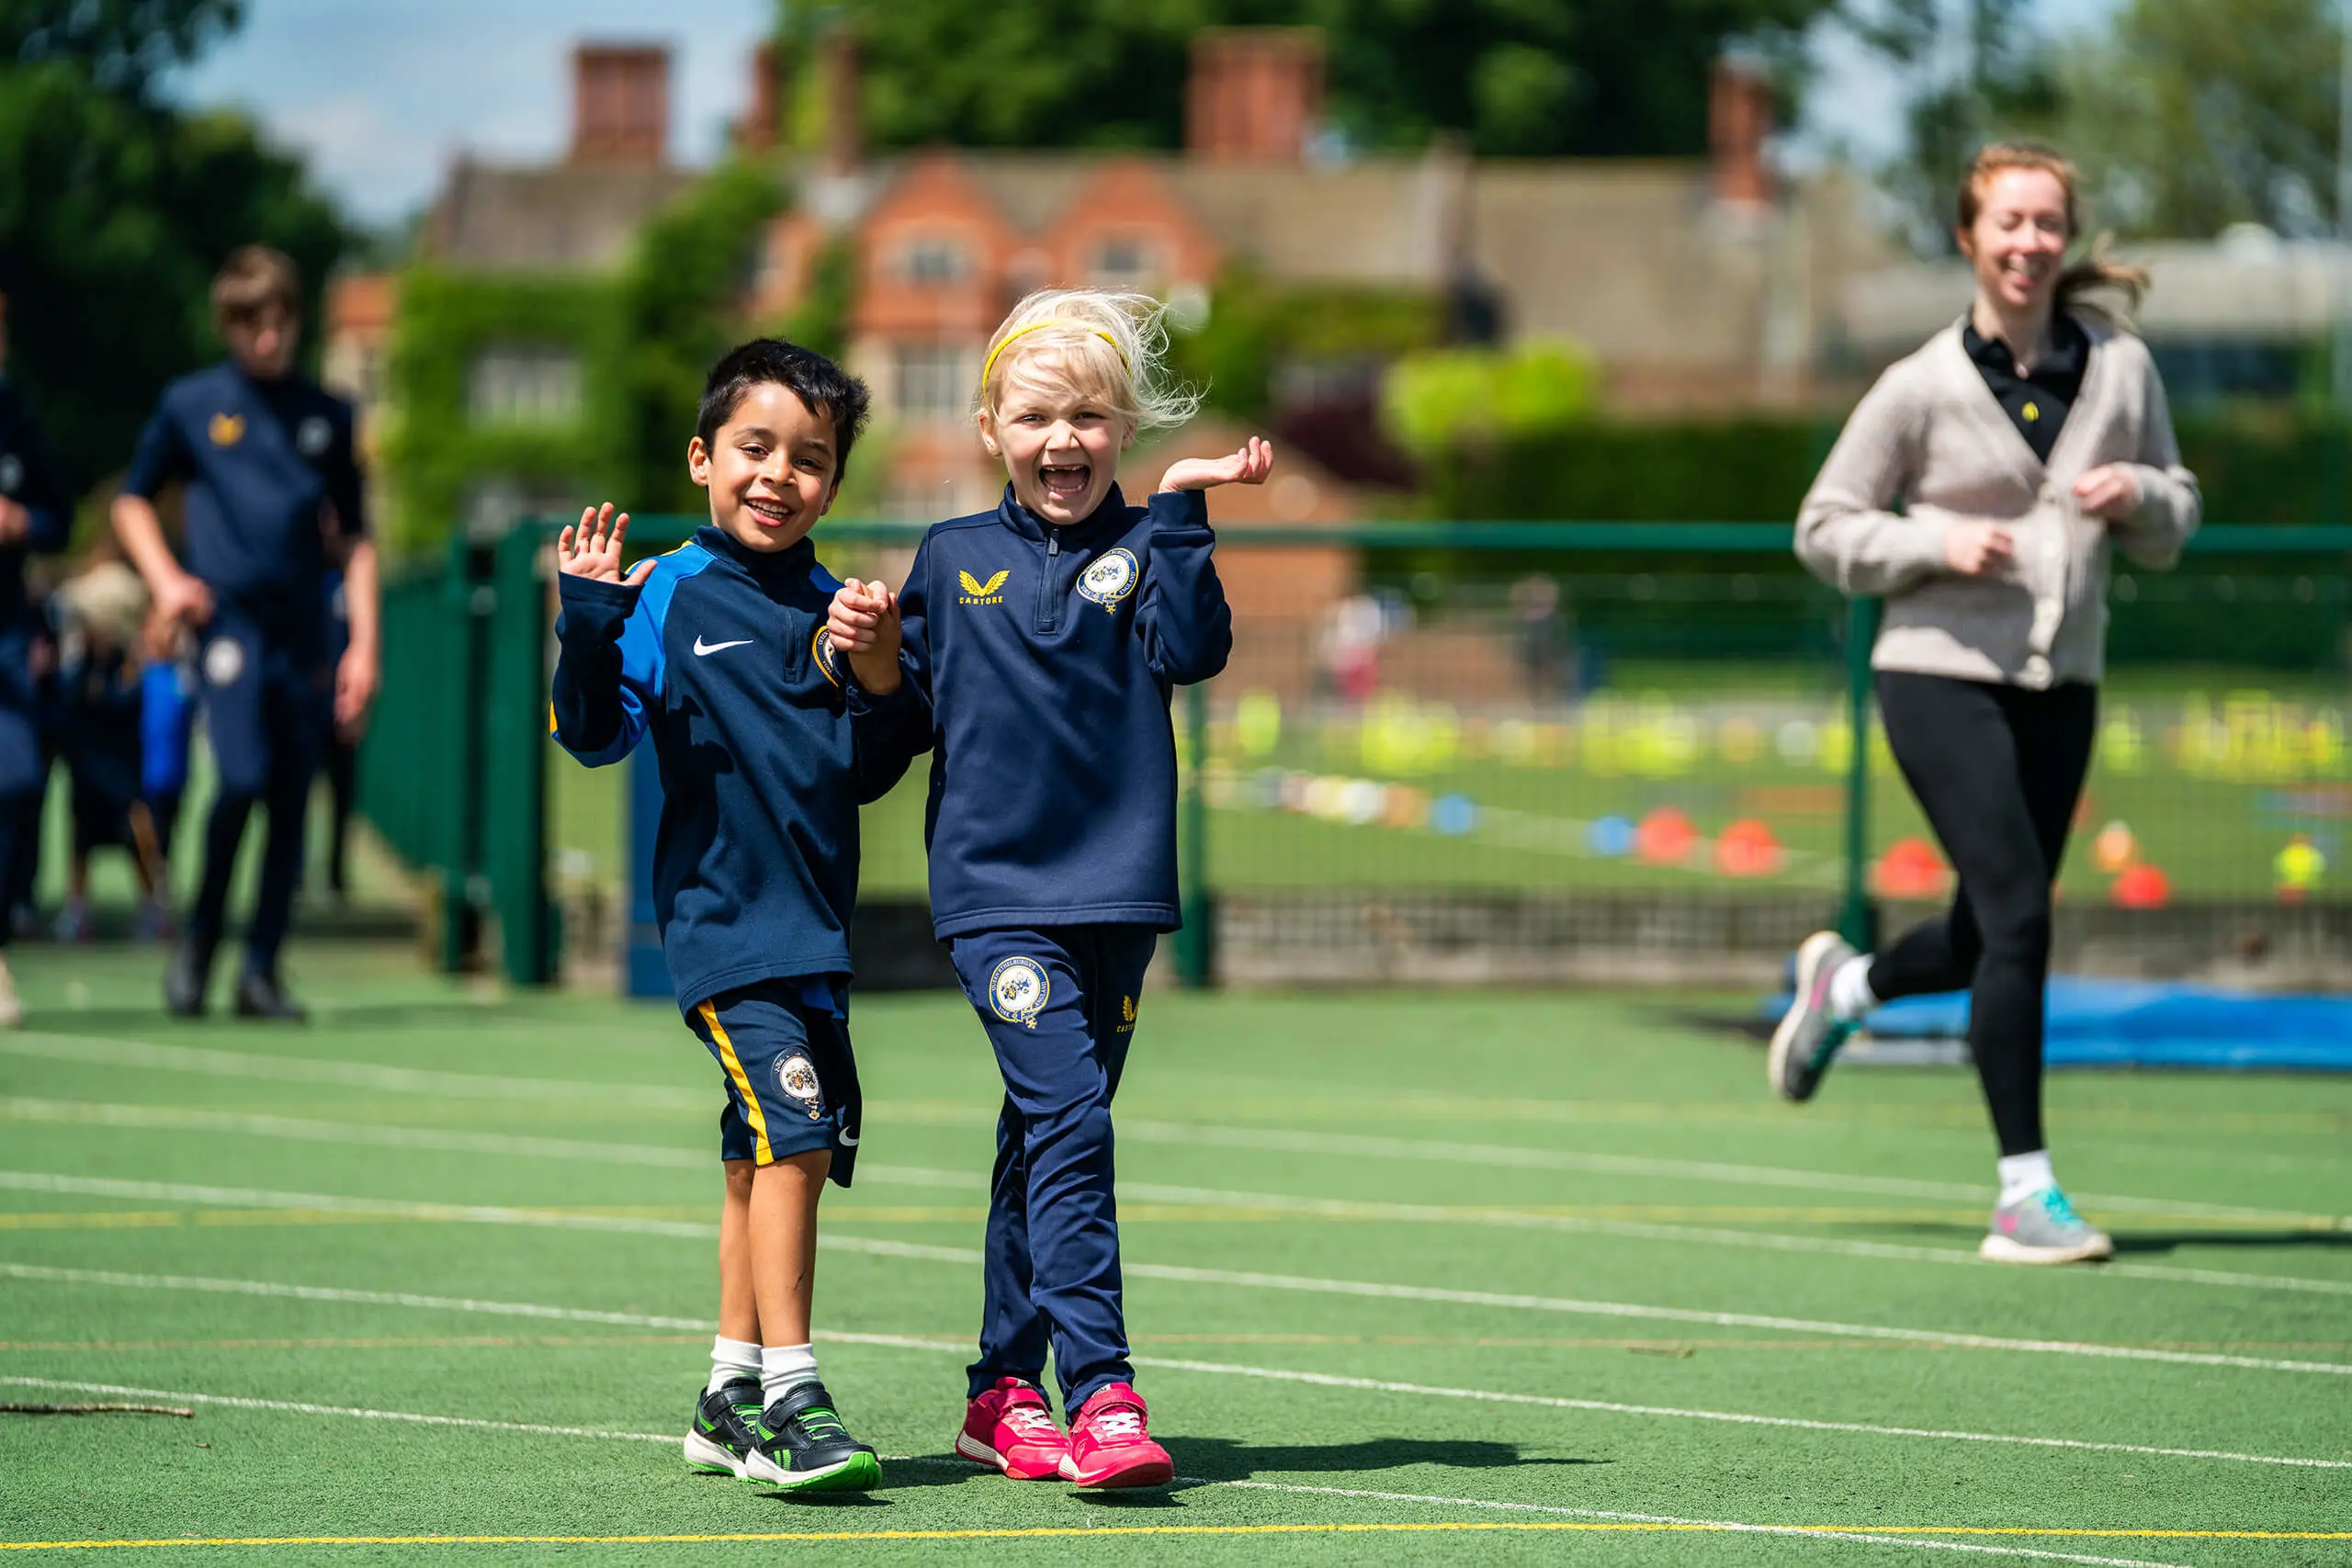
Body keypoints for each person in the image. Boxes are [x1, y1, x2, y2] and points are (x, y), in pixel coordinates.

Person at [828, 288, 1267, 1489]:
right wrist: (864, 663)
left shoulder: (1149, 543)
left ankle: (1000, 1391)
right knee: (1073, 1119)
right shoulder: (949, 558)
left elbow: (1193, 649)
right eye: (1034, 416)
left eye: (1086, 415)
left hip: (1118, 899)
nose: (1060, 440)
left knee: (1043, 1135)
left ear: (1121, 427)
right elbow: (881, 749)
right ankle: (1104, 1389)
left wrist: (1180, 510)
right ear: (988, 427)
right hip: (995, 900)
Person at [1772, 143, 2199, 1265]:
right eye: (2007, 222)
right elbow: (1823, 526)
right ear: (1968, 236)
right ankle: (2025, 1194)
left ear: (2067, 238)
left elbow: (2176, 514)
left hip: (2064, 682)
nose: (2027, 242)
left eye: (2046, 222)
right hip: (1934, 672)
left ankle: (1846, 982)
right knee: (2018, 918)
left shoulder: (2121, 367)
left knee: (1985, 929)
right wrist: (1936, 539)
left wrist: (2141, 494)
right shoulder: (1918, 383)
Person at [549, 340, 924, 1493]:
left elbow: (874, 764)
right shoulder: (664, 590)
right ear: (704, 458)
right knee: (795, 1138)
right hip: (725, 930)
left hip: (813, 929)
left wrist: (877, 669)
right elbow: (593, 733)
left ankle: (725, 1394)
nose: (778, 476)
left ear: (833, 484)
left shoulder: (836, 606)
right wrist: (586, 621)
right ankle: (794, 1398)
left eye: (809, 460)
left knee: (757, 1159)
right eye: (754, 449)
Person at [113, 246, 380, 1019]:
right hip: (227, 624)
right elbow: (132, 503)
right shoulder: (191, 403)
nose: (266, 338)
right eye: (249, 324)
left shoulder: (329, 416)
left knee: (294, 801)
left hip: (305, 631)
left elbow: (358, 540)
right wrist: (168, 581)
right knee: (238, 780)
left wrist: (365, 643)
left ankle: (260, 970)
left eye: (278, 322)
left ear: (296, 321)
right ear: (228, 326)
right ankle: (198, 945)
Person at [0, 289, 73, 1018]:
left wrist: (22, 521)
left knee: (16, 779)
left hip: (6, 629)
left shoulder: (18, 420)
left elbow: (61, 517)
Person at [52, 561, 168, 941]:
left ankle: (154, 906)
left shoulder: (127, 665)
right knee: (81, 840)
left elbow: (126, 702)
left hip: (121, 771)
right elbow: (69, 703)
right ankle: (77, 907)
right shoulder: (81, 666)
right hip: (88, 770)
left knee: (137, 838)